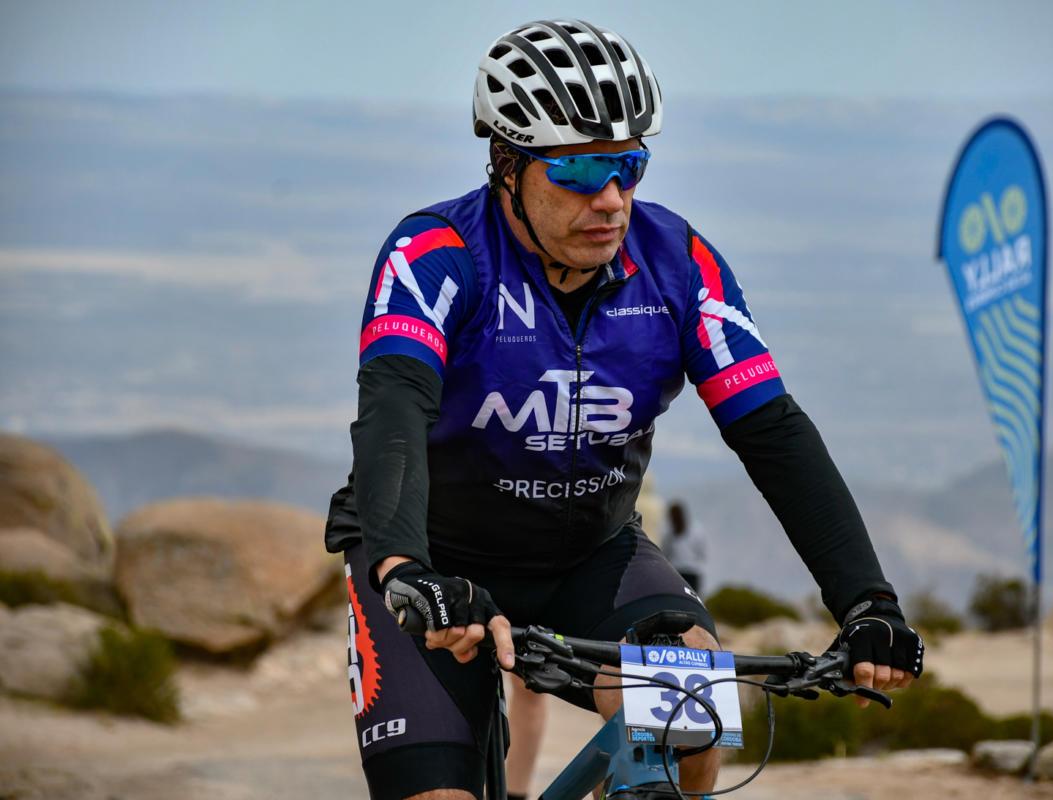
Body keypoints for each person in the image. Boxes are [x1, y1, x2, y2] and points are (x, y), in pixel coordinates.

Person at [325, 18, 924, 800]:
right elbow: (394, 408)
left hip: (591, 559)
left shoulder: (678, 262)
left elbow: (772, 432)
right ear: (507, 163)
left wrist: (867, 601)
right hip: (435, 562)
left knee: (689, 723)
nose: (610, 200)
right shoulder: (434, 255)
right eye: (579, 171)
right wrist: (403, 568)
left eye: (629, 166)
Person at [661, 500, 706, 597]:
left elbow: (665, 554)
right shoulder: (696, 529)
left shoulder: (669, 533)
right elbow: (702, 553)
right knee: (692, 602)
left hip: (676, 573)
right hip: (692, 572)